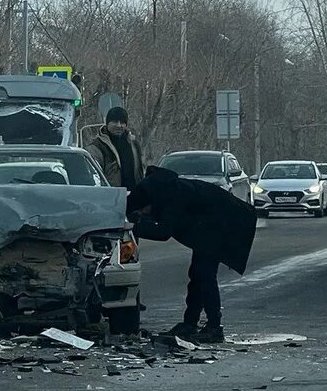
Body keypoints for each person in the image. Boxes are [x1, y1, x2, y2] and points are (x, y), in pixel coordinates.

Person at [126, 165, 257, 344]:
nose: (145, 215)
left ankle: (214, 327)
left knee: (204, 273)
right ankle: (190, 323)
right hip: (210, 225)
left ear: (148, 202)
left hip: (226, 223)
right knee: (198, 273)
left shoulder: (170, 196)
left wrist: (136, 227)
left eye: (143, 211)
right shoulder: (163, 190)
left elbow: (164, 232)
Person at [90, 106, 145, 190]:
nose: (119, 125)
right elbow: (93, 178)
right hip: (110, 198)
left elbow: (140, 173)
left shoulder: (133, 144)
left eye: (122, 122)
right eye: (115, 122)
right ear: (107, 123)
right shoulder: (97, 147)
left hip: (133, 197)